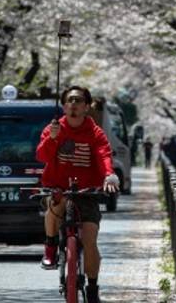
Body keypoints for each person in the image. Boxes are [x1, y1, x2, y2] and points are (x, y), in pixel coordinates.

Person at [36, 85, 120, 303]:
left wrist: (109, 175)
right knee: (55, 206)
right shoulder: (53, 128)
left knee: (90, 239)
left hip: (87, 192)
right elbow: (42, 156)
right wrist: (52, 139)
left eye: (78, 100)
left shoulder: (95, 132)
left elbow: (103, 154)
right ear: (64, 106)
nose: (73, 104)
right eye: (69, 100)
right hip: (58, 187)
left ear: (87, 107)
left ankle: (92, 287)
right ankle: (51, 246)